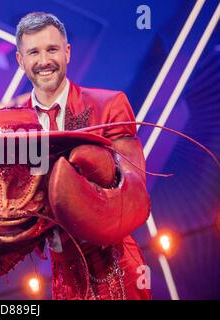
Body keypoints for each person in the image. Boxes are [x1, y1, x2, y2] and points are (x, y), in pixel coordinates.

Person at [15, 12, 152, 300]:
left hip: (116, 265)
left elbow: (135, 190)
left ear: (67, 52)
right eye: (34, 52)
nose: (44, 61)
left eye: (52, 49)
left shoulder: (110, 104)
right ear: (20, 60)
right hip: (62, 275)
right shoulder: (11, 125)